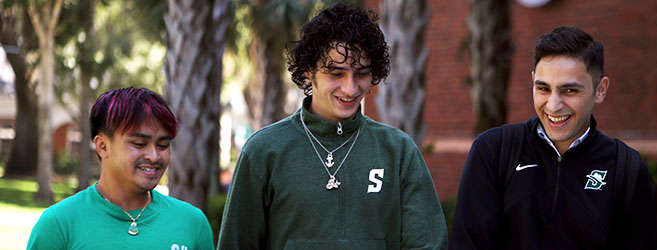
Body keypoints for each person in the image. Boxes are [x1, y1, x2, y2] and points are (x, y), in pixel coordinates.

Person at [216, 3, 447, 250]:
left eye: (361, 73)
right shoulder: (264, 150)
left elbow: (429, 244)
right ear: (308, 72)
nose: (350, 88)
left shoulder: (397, 150)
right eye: (336, 74)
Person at [448, 26, 657, 249]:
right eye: (543, 88)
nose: (553, 105)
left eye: (570, 91)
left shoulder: (626, 169)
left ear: (600, 90)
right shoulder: (494, 151)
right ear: (533, 82)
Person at [27, 87, 214, 250]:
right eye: (140, 144)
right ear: (102, 146)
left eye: (163, 145)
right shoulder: (59, 224)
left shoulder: (192, 223)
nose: (154, 156)